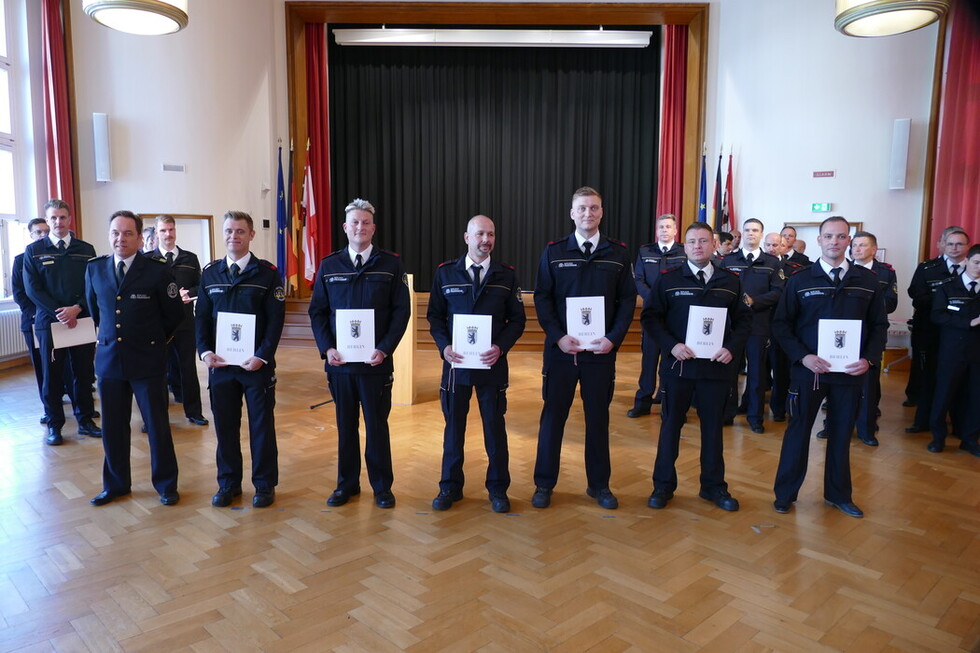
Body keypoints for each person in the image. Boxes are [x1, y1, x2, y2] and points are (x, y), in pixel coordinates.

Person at [772, 216, 889, 518]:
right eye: (828, 236)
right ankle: (785, 494)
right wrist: (803, 357)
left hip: (849, 374)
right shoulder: (800, 280)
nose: (834, 242)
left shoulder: (867, 282)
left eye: (840, 237)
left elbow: (879, 325)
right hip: (808, 373)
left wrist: (870, 358)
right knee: (798, 431)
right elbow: (782, 325)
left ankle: (839, 494)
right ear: (819, 240)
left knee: (840, 434)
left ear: (848, 240)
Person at [531, 187, 636, 510]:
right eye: (582, 209)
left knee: (598, 419)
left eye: (593, 208)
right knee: (553, 418)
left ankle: (599, 485)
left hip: (600, 354)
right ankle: (544, 484)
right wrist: (558, 336)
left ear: (601, 212)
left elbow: (628, 300)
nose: (588, 214)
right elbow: (542, 298)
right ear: (572, 213)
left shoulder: (617, 253)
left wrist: (614, 338)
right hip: (562, 353)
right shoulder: (554, 252)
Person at [309, 199, 411, 509]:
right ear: (345, 227)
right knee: (345, 427)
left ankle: (382, 487)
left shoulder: (391, 264)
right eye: (354, 222)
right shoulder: (330, 265)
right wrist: (327, 348)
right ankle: (347, 485)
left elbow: (401, 312)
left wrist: (384, 349)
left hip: (375, 364)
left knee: (377, 427)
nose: (360, 227)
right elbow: (318, 312)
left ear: (373, 228)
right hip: (340, 366)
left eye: (365, 223)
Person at [642, 222, 751, 511]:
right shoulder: (668, 280)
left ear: (714, 245)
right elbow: (651, 318)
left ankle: (713, 487)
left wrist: (731, 348)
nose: (698, 246)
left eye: (703, 241)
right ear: (684, 246)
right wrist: (672, 345)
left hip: (715, 370)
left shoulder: (730, 281)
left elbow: (744, 321)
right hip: (678, 368)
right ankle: (663, 486)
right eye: (692, 242)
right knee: (670, 428)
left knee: (713, 430)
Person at [426, 215, 526, 513]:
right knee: (453, 430)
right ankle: (449, 487)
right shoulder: (446, 273)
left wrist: (500, 347)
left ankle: (498, 490)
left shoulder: (506, 275)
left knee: (495, 430)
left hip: (492, 366)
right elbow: (434, 317)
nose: (486, 239)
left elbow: (517, 320)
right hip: (456, 368)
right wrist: (444, 347)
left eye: (491, 234)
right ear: (467, 237)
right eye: (480, 233)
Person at [84, 211, 184, 506]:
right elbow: (95, 310)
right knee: (113, 427)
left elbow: (174, 314)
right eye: (115, 232)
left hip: (147, 361)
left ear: (140, 239)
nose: (120, 238)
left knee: (157, 426)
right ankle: (116, 484)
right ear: (109, 235)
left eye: (128, 233)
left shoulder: (156, 270)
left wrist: (152, 343)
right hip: (109, 362)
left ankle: (166, 484)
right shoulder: (95, 269)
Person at [197, 211, 285, 508]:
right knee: (225, 427)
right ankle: (228, 483)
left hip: (256, 367)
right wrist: (205, 352)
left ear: (251, 235)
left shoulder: (268, 273)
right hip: (221, 367)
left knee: (261, 427)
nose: (233, 236)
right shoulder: (210, 273)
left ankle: (263, 485)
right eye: (229, 231)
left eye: (240, 231)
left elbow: (275, 321)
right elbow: (201, 320)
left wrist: (262, 355)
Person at [23, 199, 102, 445]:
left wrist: (77, 308)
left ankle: (86, 421)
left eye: (62, 217)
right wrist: (60, 312)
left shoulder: (86, 249)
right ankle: (55, 425)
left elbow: (93, 284)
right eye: (53, 218)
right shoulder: (33, 251)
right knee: (52, 375)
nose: (58, 222)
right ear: (47, 221)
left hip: (81, 320)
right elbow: (32, 289)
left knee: (83, 374)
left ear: (70, 219)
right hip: (51, 323)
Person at [720, 218, 784, 433]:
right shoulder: (728, 261)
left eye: (755, 230)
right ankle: (727, 413)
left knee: (757, 374)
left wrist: (756, 301)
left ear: (761, 234)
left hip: (758, 325)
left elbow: (778, 292)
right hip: (732, 327)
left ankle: (755, 417)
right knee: (729, 372)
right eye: (747, 230)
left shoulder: (772, 263)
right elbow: (719, 288)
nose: (750, 233)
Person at [905, 226, 969, 430]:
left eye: (959, 244)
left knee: (963, 380)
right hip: (931, 333)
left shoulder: (975, 268)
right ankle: (924, 422)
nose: (954, 248)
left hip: (964, 336)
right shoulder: (927, 268)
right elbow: (917, 296)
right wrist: (948, 306)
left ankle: (960, 424)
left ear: (968, 246)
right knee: (928, 378)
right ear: (943, 245)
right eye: (950, 243)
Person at [146, 215, 207, 426]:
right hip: (157, 326)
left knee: (188, 368)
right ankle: (156, 417)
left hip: (184, 324)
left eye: (171, 229)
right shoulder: (146, 260)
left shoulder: (190, 258)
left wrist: (188, 293)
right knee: (157, 372)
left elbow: (202, 286)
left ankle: (194, 412)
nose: (168, 234)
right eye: (163, 230)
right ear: (156, 233)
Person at [629, 213, 686, 417]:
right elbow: (639, 280)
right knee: (649, 360)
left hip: (674, 315)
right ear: (657, 230)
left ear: (675, 230)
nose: (664, 230)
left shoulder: (683, 251)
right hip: (652, 315)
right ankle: (643, 402)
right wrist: (653, 299)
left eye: (668, 227)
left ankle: (667, 402)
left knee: (671, 360)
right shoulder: (645, 251)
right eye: (661, 227)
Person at [927, 243, 980, 457]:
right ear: (967, 261)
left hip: (977, 354)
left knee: (976, 399)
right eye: (977, 262)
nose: (979, 267)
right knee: (943, 396)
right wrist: (969, 322)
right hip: (952, 351)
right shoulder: (947, 287)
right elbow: (937, 315)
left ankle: (970, 439)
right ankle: (937, 438)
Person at [850, 231, 898, 446]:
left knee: (869, 385)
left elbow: (891, 302)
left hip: (871, 334)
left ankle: (866, 429)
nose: (857, 249)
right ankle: (833, 425)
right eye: (855, 245)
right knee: (840, 384)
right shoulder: (843, 269)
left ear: (874, 249)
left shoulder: (885, 273)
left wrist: (864, 309)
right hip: (845, 334)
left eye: (862, 245)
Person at [12, 218, 51, 424]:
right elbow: (20, 293)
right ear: (31, 235)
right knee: (41, 367)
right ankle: (48, 407)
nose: (43, 235)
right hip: (34, 320)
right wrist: (37, 314)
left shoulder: (54, 257)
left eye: (46, 231)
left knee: (65, 367)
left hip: (56, 319)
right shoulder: (20, 260)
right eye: (38, 232)